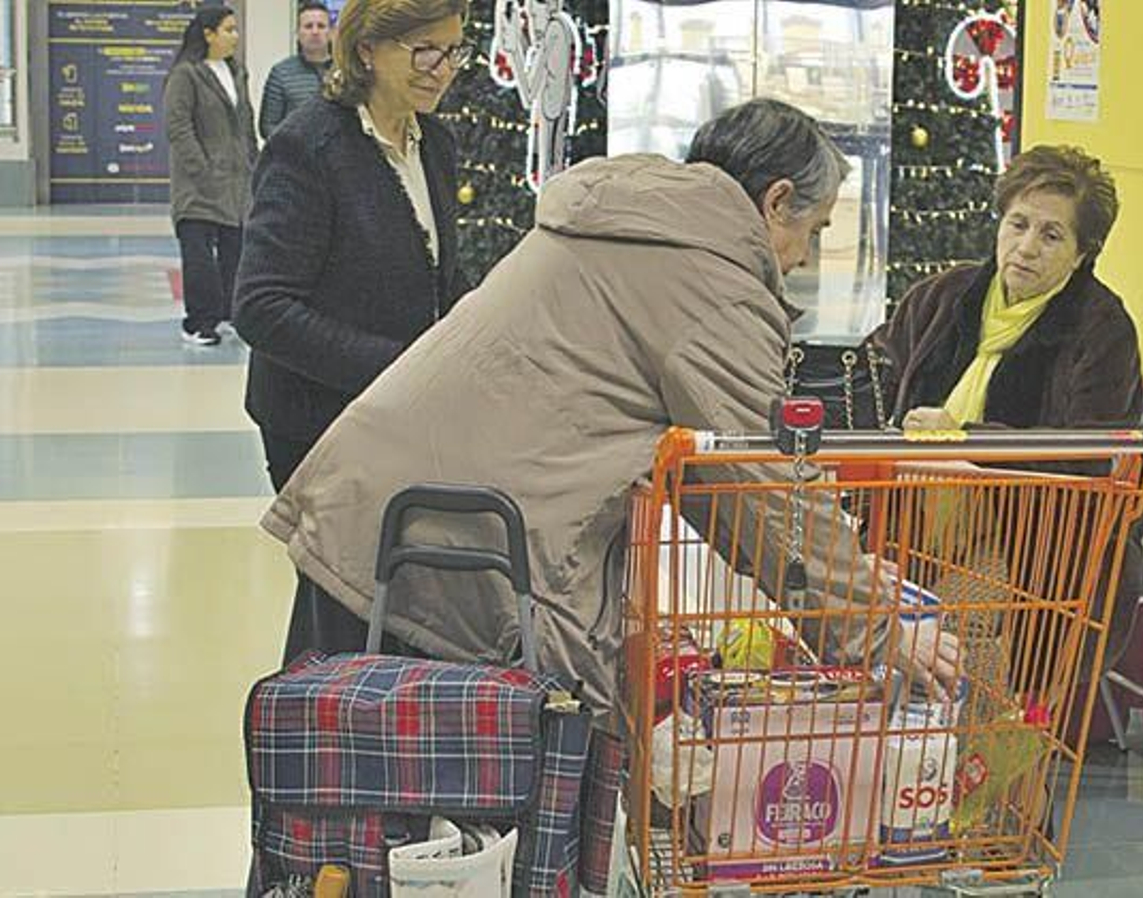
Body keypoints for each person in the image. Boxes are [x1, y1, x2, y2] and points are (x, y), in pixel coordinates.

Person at [259, 98, 961, 721]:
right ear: (777, 201)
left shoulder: (619, 221)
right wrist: (877, 630)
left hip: (377, 508)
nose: (803, 258)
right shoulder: (712, 278)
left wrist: (851, 584)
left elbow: (721, 482)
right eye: (814, 228)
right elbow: (768, 482)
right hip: (460, 554)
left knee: (329, 795)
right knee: (430, 830)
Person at [233, 0, 470, 659]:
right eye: (424, 50)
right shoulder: (311, 147)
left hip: (394, 416)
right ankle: (316, 734)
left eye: (453, 51)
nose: (442, 69)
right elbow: (261, 305)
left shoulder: (436, 143)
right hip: (314, 420)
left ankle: (369, 734)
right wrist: (399, 367)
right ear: (367, 50)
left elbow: (438, 277)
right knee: (339, 597)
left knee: (387, 596)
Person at [866, 144, 1143, 693]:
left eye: (1051, 235)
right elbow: (873, 378)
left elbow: (1086, 454)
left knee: (966, 661)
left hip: (1026, 537)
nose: (1026, 247)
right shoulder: (942, 297)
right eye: (1018, 224)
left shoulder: (1103, 330)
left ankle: (979, 766)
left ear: (1083, 253)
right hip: (909, 519)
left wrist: (963, 439)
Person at [164, 6, 257, 347]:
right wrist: (200, 168)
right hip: (198, 188)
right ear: (208, 34)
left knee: (235, 254)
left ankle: (230, 313)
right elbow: (178, 126)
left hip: (236, 186)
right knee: (200, 257)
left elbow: (245, 124)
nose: (235, 36)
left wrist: (253, 162)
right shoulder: (186, 74)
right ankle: (199, 322)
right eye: (229, 29)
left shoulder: (235, 72)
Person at [258, 0, 334, 137]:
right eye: (308, 26)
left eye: (321, 26)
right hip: (294, 155)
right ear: (298, 33)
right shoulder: (281, 73)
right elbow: (267, 126)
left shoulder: (345, 71)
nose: (315, 32)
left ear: (331, 33)